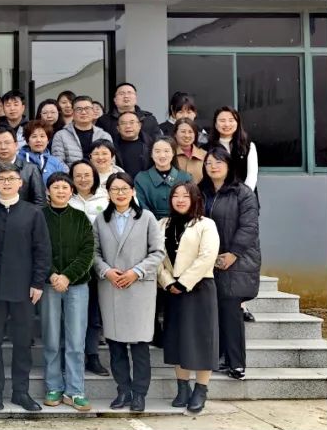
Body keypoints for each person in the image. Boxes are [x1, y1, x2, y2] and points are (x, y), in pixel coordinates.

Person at [92, 172, 165, 413]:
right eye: (115, 189)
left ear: (133, 191)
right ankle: (123, 390)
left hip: (138, 288)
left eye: (124, 188)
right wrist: (106, 271)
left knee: (140, 346)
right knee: (115, 345)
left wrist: (136, 272)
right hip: (111, 287)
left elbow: (158, 252)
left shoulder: (147, 218)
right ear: (108, 193)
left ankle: (139, 393)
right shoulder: (101, 220)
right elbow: (93, 252)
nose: (120, 193)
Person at [0, 162, 51, 412]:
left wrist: (38, 282)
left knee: (22, 342)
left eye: (12, 179)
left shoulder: (33, 213)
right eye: (2, 179)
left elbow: (42, 250)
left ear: (20, 183)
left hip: (24, 288)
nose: (7, 183)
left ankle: (21, 392)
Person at [199, 146, 261, 381]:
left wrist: (233, 253)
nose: (213, 167)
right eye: (208, 163)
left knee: (231, 309)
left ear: (228, 165)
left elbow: (249, 227)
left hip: (237, 259)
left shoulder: (242, 193)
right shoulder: (201, 192)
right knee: (214, 309)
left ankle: (236, 363)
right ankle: (219, 357)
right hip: (209, 259)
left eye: (218, 162)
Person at [159, 182, 220, 414]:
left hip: (199, 287)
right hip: (172, 290)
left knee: (202, 339)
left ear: (195, 199)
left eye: (186, 196)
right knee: (177, 339)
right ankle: (182, 388)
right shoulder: (162, 224)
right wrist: (168, 282)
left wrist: (184, 282)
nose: (180, 200)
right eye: (176, 196)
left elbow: (207, 256)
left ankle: (201, 390)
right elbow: (156, 256)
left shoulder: (206, 224)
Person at [40, 172, 96, 412]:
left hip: (77, 285)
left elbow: (88, 251)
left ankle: (75, 390)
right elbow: (37, 249)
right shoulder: (40, 217)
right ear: (48, 191)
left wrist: (68, 276)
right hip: (49, 284)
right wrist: (53, 275)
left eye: (65, 187)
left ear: (71, 192)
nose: (61, 191)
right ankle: (53, 386)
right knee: (51, 337)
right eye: (56, 187)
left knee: (75, 339)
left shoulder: (81, 218)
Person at [67, 160, 112, 377]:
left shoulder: (106, 198)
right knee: (73, 314)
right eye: (78, 175)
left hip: (99, 262)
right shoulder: (66, 197)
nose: (83, 179)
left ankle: (92, 355)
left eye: (87, 175)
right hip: (72, 264)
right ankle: (71, 356)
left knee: (94, 312)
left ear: (94, 176)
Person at [0, 127, 46, 207]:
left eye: (7, 143)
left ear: (16, 145)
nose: (3, 147)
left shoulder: (31, 170)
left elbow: (40, 202)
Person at [135, 137, 193, 219]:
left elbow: (192, 203)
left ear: (173, 153)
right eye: (157, 151)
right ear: (151, 154)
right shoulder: (141, 178)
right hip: (150, 222)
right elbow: (140, 205)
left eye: (166, 151)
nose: (162, 155)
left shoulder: (185, 177)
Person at [52, 95, 113, 165]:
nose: (83, 112)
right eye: (79, 109)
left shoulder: (104, 136)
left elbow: (111, 162)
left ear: (93, 112)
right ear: (73, 113)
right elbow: (58, 163)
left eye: (87, 108)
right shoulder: (61, 135)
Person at [209, 106, 259, 192]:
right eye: (222, 121)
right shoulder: (207, 148)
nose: (227, 124)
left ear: (237, 123)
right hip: (216, 196)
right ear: (215, 124)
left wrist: (243, 195)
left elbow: (252, 175)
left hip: (245, 195)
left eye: (231, 120)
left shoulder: (248, 146)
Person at [96, 83, 161, 140]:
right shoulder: (103, 120)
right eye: (121, 93)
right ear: (115, 100)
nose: (126, 96)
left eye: (129, 93)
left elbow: (158, 141)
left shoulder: (149, 119)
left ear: (136, 98)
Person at [19, 120, 69, 186]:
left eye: (42, 136)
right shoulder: (18, 160)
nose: (38, 140)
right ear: (27, 141)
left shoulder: (56, 163)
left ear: (48, 140)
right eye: (34, 136)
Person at [113, 111, 153, 178]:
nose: (128, 126)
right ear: (118, 128)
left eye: (132, 122)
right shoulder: (112, 147)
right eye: (123, 123)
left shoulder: (151, 145)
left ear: (139, 125)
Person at [174, 118, 207, 183]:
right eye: (183, 131)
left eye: (190, 132)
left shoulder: (204, 155)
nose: (187, 135)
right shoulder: (169, 154)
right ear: (175, 134)